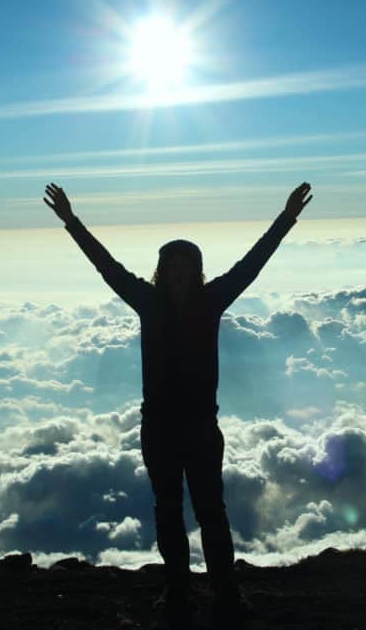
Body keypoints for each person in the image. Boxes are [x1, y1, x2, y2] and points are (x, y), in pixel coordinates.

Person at [44, 181, 313, 628]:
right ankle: (178, 591)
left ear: (197, 269)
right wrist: (71, 221)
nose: (180, 271)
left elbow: (253, 264)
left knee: (211, 511)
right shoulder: (147, 302)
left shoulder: (211, 302)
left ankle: (225, 593)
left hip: (201, 428)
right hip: (161, 429)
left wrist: (286, 218)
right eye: (173, 264)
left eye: (187, 264)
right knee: (167, 510)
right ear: (163, 269)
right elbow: (105, 266)